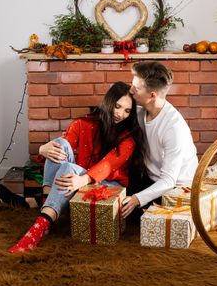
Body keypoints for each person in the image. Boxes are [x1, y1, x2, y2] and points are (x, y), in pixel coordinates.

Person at [8, 81, 145, 253]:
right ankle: (46, 208)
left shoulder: (128, 137)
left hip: (108, 185)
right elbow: (60, 148)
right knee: (60, 143)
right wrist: (43, 149)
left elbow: (108, 165)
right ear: (109, 101)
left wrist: (83, 179)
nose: (120, 114)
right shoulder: (83, 124)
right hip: (76, 180)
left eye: (127, 111)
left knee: (68, 169)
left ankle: (40, 221)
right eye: (117, 106)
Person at [121, 61, 198, 219]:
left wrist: (137, 199)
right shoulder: (141, 111)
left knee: (130, 214)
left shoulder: (174, 128)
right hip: (150, 177)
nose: (131, 90)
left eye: (136, 88)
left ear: (152, 96)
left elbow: (169, 180)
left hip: (175, 189)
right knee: (116, 200)